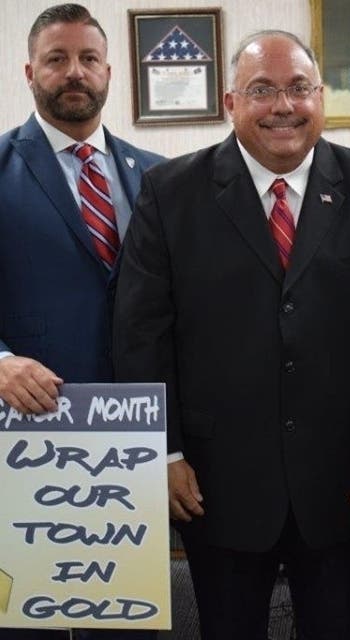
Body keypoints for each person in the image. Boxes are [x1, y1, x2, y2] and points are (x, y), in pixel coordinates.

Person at [111, 29, 350, 640]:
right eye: (262, 90)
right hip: (215, 483)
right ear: (230, 103)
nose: (284, 106)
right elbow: (142, 333)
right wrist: (161, 453)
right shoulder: (170, 194)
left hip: (342, 482)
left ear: (321, 97)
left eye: (299, 88)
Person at [0, 4, 163, 639]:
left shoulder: (157, 176)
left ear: (109, 71)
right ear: (29, 71)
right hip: (30, 433)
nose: (75, 72)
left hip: (136, 436)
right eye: (57, 59)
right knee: (31, 618)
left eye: (88, 59)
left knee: (128, 615)